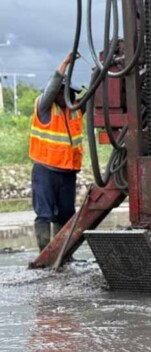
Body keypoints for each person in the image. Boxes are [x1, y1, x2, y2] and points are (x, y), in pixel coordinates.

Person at [29, 53, 84, 252]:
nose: (72, 97)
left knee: (67, 214)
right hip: (46, 171)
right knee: (44, 213)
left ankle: (63, 255)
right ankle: (45, 254)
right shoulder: (45, 107)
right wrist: (65, 63)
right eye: (67, 93)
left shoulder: (75, 110)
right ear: (59, 92)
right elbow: (53, 86)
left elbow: (95, 92)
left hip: (68, 173)